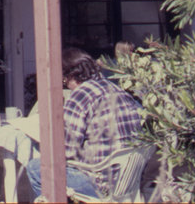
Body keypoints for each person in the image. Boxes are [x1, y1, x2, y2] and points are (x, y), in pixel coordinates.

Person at [25, 47, 143, 200]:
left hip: (101, 184)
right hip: (129, 181)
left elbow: (66, 152)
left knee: (37, 168)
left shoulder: (81, 95)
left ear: (70, 75)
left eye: (64, 80)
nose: (65, 85)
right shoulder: (119, 90)